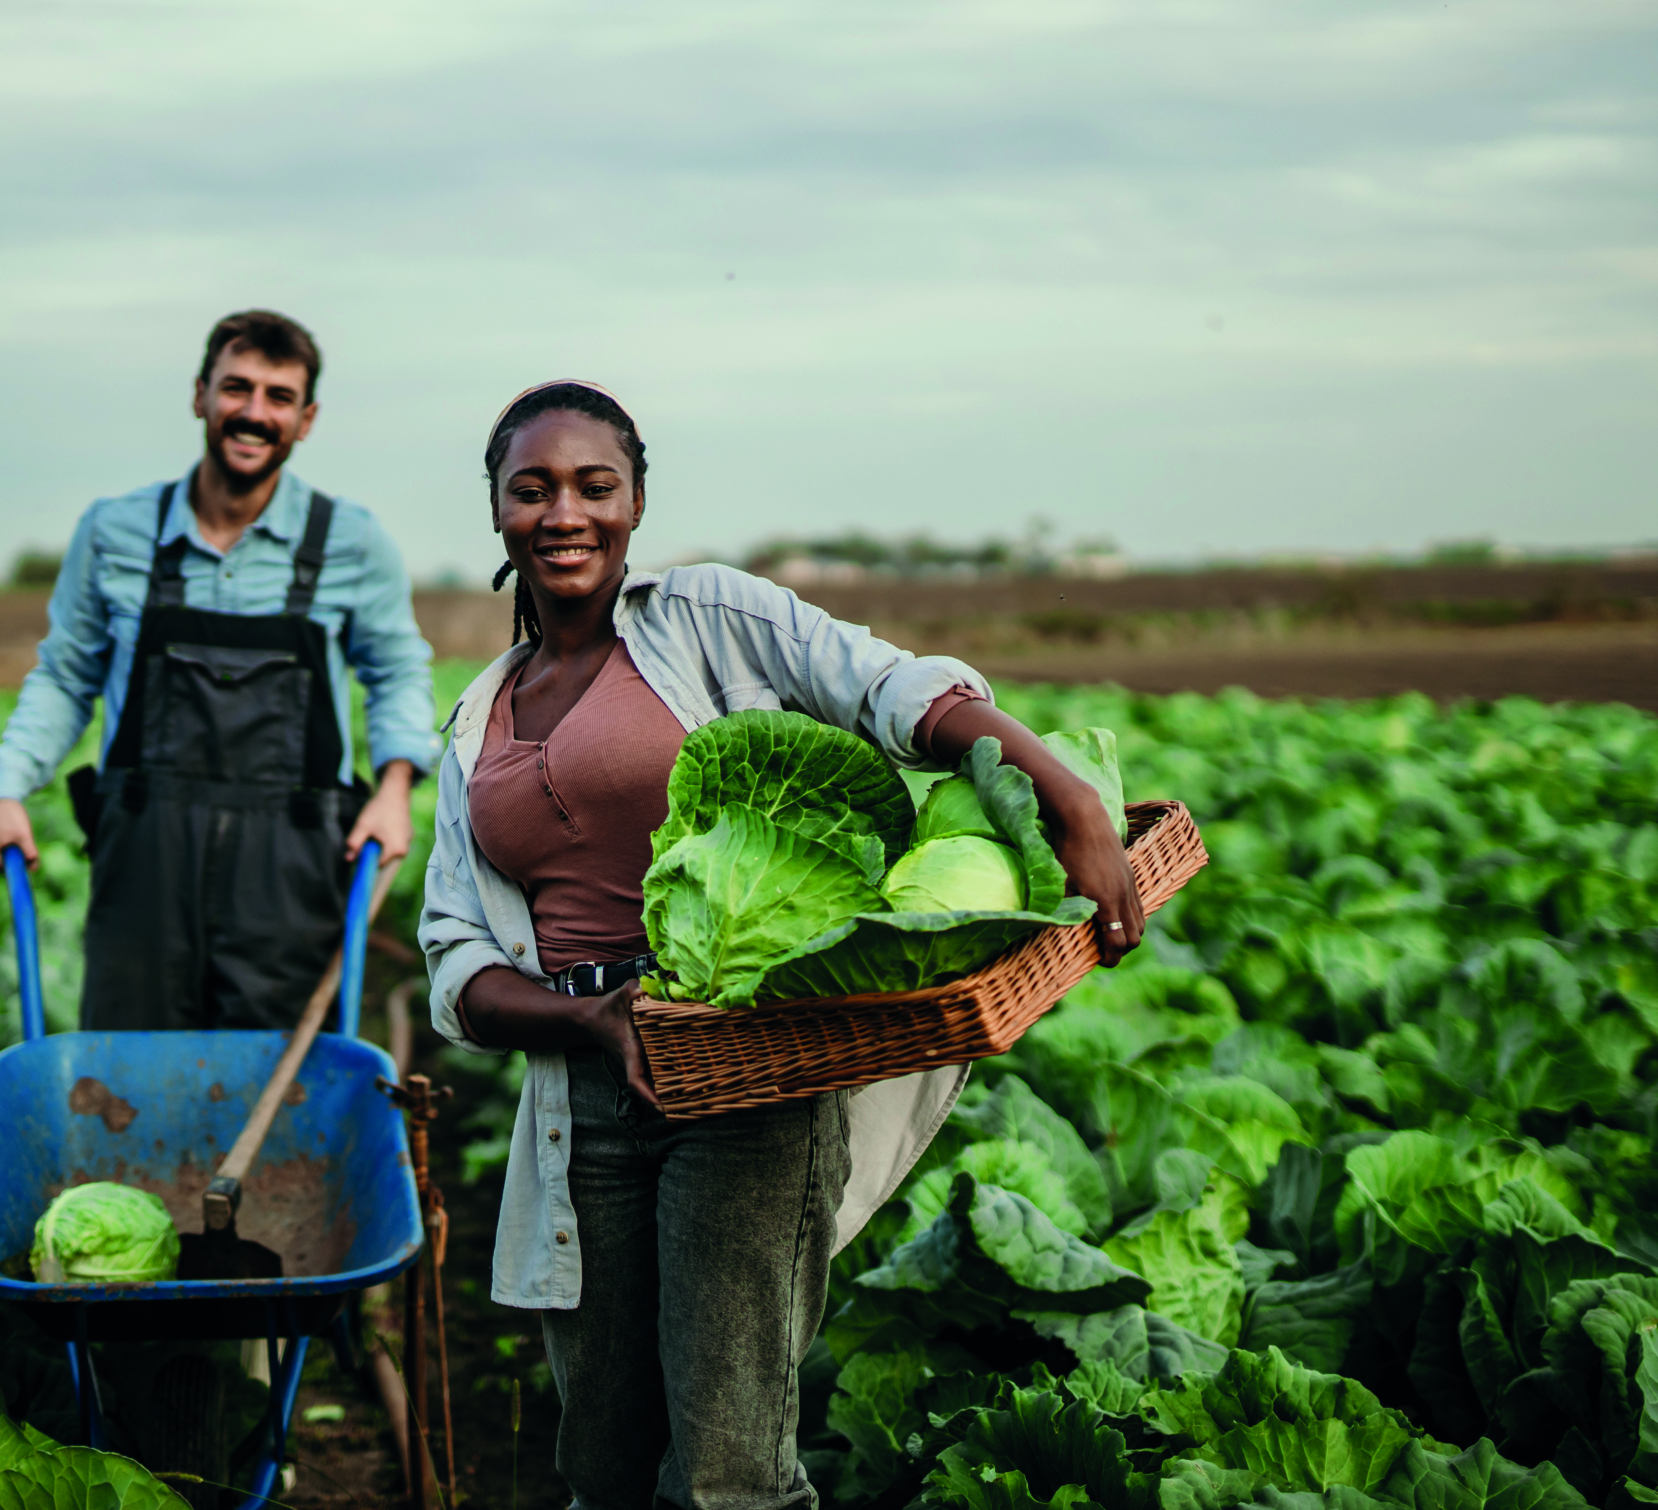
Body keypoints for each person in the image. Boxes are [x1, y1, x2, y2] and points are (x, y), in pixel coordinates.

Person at [419, 381, 1144, 1510]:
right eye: (533, 489)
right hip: (586, 1098)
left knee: (725, 1470)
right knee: (600, 1464)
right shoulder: (476, 718)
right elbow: (454, 959)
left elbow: (893, 689)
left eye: (593, 486)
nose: (564, 511)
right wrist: (590, 1024)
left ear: (637, 503)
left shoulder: (704, 616)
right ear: (499, 514)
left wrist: (1063, 794)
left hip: (747, 1072)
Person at [0, 308, 437, 1034]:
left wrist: (395, 786)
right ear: (200, 395)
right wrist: (6, 786)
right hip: (143, 860)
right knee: (130, 1081)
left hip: (289, 866)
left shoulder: (350, 541)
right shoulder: (114, 531)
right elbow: (67, 676)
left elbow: (398, 672)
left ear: (306, 418)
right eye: (237, 388)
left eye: (278, 397)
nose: (255, 413)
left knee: (279, 1086)